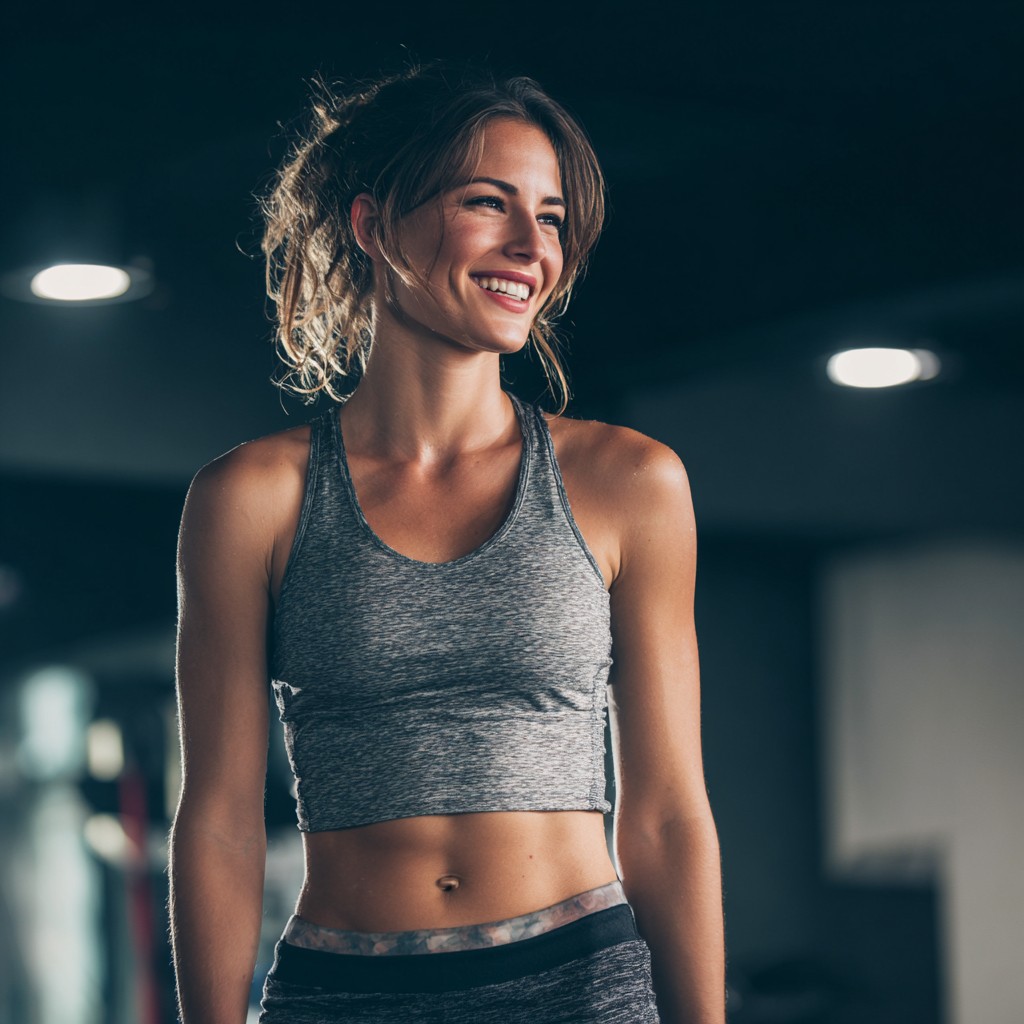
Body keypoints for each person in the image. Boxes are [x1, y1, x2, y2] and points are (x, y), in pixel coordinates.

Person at [170, 65, 725, 1024]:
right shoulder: (250, 498)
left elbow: (669, 813)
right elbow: (218, 822)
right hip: (344, 990)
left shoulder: (629, 484)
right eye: (487, 203)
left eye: (550, 218)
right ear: (373, 224)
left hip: (579, 985)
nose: (530, 246)